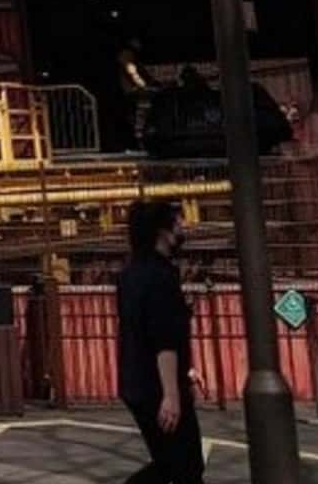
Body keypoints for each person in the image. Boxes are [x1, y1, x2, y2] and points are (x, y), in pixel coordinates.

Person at [117, 200, 207, 483]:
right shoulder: (160, 276)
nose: (182, 227)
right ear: (163, 233)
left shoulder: (129, 274)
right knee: (186, 465)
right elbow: (163, 340)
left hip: (135, 382)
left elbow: (139, 330)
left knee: (172, 463)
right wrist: (171, 393)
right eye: (177, 223)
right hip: (157, 385)